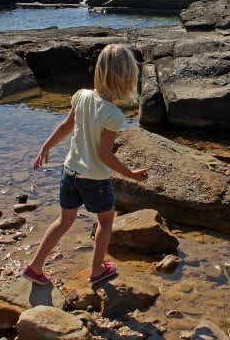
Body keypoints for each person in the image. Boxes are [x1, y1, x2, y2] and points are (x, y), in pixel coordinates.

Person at [22, 44, 149, 285]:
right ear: (126, 78)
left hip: (70, 172)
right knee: (106, 222)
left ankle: (35, 267)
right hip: (95, 179)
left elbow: (64, 127)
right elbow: (104, 155)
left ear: (99, 71)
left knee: (63, 221)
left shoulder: (81, 96)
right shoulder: (114, 114)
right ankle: (97, 269)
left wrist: (46, 147)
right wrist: (130, 174)